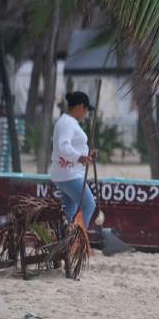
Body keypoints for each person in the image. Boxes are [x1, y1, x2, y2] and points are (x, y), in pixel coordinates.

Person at [50, 91, 97, 229]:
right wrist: (80, 157)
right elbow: (63, 146)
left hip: (66, 173)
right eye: (87, 110)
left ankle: (62, 242)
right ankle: (78, 240)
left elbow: (71, 147)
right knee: (89, 205)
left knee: (69, 213)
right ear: (81, 106)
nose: (86, 113)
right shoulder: (67, 123)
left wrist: (87, 155)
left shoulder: (67, 122)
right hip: (69, 174)